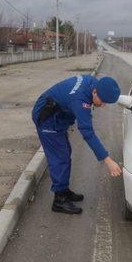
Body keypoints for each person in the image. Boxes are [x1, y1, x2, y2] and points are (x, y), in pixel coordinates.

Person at [32, 74, 123, 214]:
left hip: (58, 116)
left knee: (65, 152)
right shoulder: (80, 100)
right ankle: (59, 201)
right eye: (102, 101)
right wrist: (108, 160)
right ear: (95, 92)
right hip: (46, 118)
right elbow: (87, 133)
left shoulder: (93, 83)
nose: (103, 105)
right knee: (60, 158)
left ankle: (63, 190)